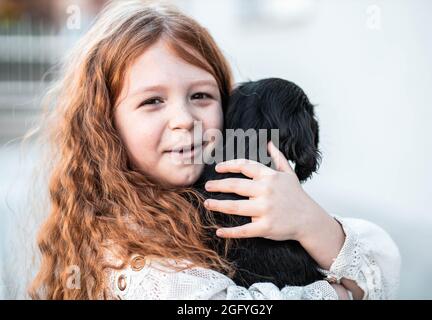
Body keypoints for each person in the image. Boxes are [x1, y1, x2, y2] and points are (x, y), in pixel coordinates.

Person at [28, 0, 400, 300]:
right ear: (105, 124)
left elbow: (382, 269)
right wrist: (339, 294)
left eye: (201, 96)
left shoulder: (218, 200)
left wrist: (312, 223)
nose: (184, 119)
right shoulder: (130, 253)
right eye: (153, 101)